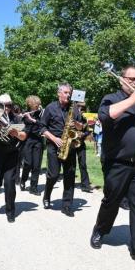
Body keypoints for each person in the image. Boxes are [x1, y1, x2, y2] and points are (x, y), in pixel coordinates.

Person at [90, 66, 135, 270]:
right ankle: (100, 229)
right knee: (111, 201)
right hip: (117, 164)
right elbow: (105, 117)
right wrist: (132, 100)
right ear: (122, 79)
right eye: (132, 79)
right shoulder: (111, 98)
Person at [40, 83, 84, 217]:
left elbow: (82, 127)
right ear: (58, 93)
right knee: (53, 175)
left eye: (69, 92)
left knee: (70, 176)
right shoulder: (50, 107)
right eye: (65, 92)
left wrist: (76, 124)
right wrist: (54, 138)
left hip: (69, 145)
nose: (68, 95)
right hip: (54, 144)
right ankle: (47, 196)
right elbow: (42, 128)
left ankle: (67, 205)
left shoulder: (74, 107)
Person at [0, 94, 27, 223]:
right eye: (4, 105)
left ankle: (10, 211)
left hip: (12, 154)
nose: (7, 108)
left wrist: (16, 133)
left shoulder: (16, 118)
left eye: (9, 105)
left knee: (9, 184)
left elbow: (24, 135)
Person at [20, 95, 43, 196]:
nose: (38, 105)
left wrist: (32, 119)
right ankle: (23, 180)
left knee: (37, 165)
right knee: (28, 163)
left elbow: (43, 125)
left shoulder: (41, 113)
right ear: (30, 104)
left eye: (38, 104)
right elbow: (21, 126)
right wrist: (22, 118)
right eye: (36, 104)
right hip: (28, 140)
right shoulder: (25, 113)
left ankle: (33, 187)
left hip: (38, 140)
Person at [75, 102, 93, 193]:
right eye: (79, 107)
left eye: (82, 108)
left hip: (81, 143)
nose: (81, 109)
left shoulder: (85, 119)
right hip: (71, 143)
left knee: (83, 164)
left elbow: (88, 131)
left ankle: (85, 185)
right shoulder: (71, 117)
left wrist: (83, 134)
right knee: (71, 165)